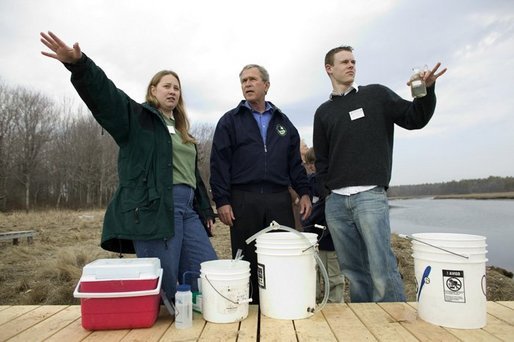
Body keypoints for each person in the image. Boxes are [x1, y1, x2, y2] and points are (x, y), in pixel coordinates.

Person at [40, 31, 217, 302]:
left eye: (177, 87)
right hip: (156, 207)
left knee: (205, 267)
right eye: (166, 85)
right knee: (165, 279)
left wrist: (204, 209)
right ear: (153, 91)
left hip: (188, 209)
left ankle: (192, 314)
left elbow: (192, 174)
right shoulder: (137, 119)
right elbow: (106, 95)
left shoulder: (182, 131)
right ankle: (165, 324)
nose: (172, 90)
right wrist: (79, 64)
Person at [313, 46, 446, 302]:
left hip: (370, 198)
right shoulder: (323, 112)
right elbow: (322, 160)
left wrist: (425, 92)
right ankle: (366, 325)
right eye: (344, 61)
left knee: (382, 268)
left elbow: (414, 118)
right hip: (337, 204)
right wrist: (327, 194)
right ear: (329, 68)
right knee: (354, 272)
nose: (351, 65)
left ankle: (395, 325)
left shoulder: (376, 95)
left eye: (353, 61)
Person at [210, 64, 312, 303]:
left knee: (279, 256)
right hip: (244, 198)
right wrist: (222, 200)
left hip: (278, 199)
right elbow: (219, 164)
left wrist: (305, 192)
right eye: (244, 80)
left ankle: (279, 304)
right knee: (247, 259)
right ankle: (251, 308)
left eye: (253, 79)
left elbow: (295, 165)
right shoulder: (230, 121)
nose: (247, 84)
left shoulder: (283, 123)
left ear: (266, 85)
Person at [301, 147, 345, 303]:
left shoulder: (332, 183)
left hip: (330, 239)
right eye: (308, 163)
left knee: (333, 276)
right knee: (313, 273)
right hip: (312, 239)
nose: (311, 167)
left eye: (313, 162)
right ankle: (314, 301)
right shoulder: (309, 182)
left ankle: (335, 303)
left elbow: (322, 208)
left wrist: (308, 220)